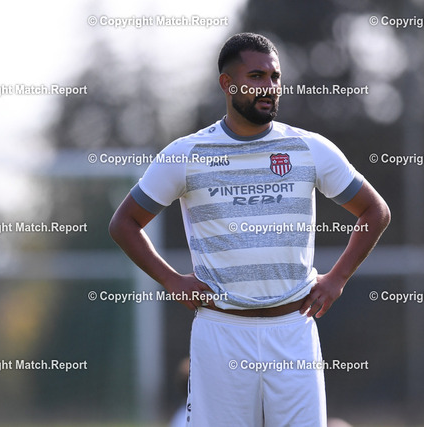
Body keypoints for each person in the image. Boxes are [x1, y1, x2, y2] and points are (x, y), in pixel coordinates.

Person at [109, 32, 390, 427]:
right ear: (227, 84)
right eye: (256, 76)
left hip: (293, 329)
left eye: (275, 77)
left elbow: (375, 212)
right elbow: (124, 223)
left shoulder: (308, 148)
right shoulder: (187, 154)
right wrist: (172, 280)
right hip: (220, 331)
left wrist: (338, 278)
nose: (269, 87)